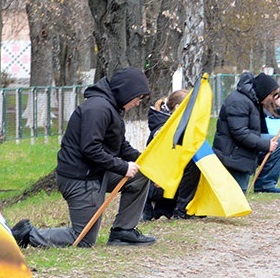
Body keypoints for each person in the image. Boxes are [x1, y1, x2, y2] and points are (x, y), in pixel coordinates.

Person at [11, 68, 156, 247]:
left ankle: (123, 232)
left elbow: (120, 146)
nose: (137, 103)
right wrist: (123, 167)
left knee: (141, 175)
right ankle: (26, 234)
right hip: (80, 179)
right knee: (83, 239)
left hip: (96, 173)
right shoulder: (97, 109)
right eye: (138, 98)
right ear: (127, 91)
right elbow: (91, 148)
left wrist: (146, 162)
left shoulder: (111, 107)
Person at [213, 72, 280, 193]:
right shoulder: (238, 101)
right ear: (264, 91)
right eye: (272, 95)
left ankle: (265, 184)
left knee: (279, 142)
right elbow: (239, 132)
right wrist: (265, 145)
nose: (272, 99)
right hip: (233, 152)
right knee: (238, 193)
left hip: (242, 146)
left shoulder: (252, 99)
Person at [142, 90, 200, 220]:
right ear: (178, 108)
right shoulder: (162, 129)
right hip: (157, 182)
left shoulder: (178, 126)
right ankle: (175, 209)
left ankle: (182, 209)